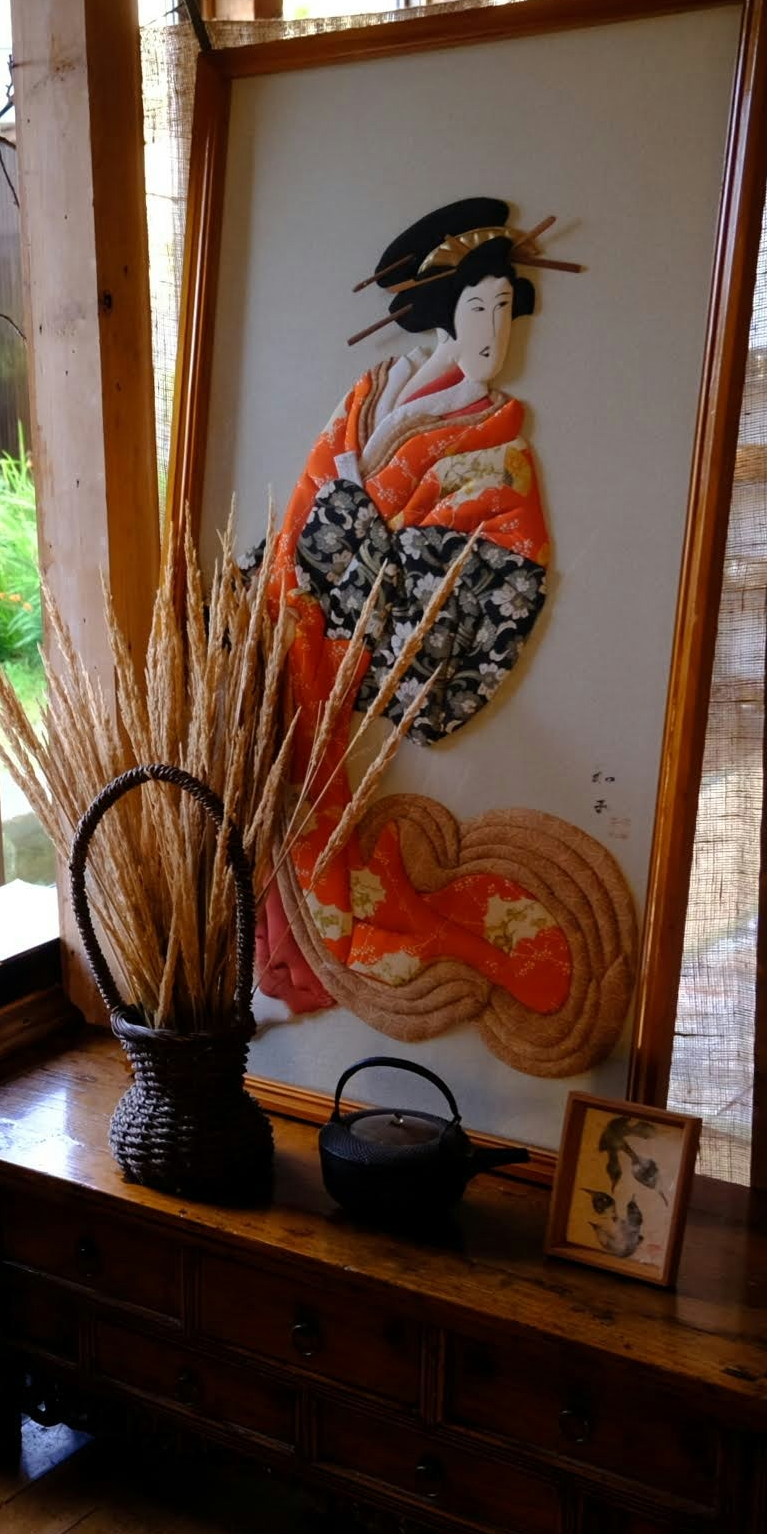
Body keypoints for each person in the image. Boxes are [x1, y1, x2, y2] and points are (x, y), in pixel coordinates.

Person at [257, 197, 577, 1024]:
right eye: (477, 309)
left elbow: (501, 561)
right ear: (442, 314)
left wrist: (354, 543)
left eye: (507, 311)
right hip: (310, 636)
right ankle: (285, 939)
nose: (493, 334)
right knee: (270, 779)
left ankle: (335, 938)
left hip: (370, 643)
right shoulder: (375, 392)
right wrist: (331, 545)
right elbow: (314, 492)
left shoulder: (497, 440)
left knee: (329, 800)